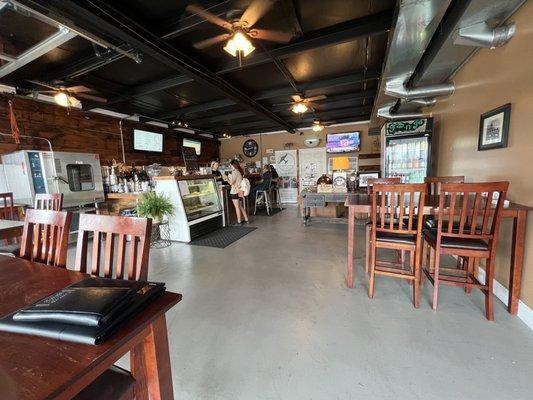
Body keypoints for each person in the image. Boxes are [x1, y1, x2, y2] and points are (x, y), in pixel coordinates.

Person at [223, 159, 249, 224]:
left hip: (235, 191)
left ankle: (239, 221)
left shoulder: (234, 172)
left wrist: (226, 179)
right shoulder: (239, 171)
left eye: (230, 165)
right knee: (240, 206)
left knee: (237, 207)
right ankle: (246, 219)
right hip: (239, 191)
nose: (230, 166)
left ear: (233, 165)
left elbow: (231, 183)